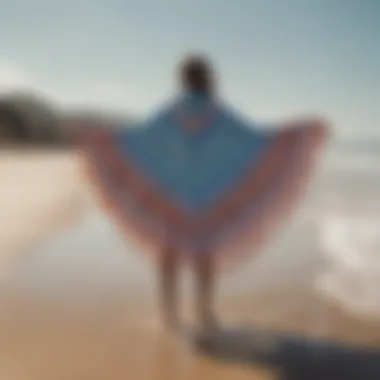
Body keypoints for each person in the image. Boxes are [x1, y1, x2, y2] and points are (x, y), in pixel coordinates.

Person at [78, 54, 328, 340]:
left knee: (168, 255)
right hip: (209, 200)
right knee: (203, 256)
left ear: (184, 79)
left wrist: (98, 139)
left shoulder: (174, 112)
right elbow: (253, 141)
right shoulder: (217, 113)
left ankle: (169, 313)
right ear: (207, 79)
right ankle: (204, 312)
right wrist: (299, 135)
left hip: (171, 197)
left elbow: (141, 140)